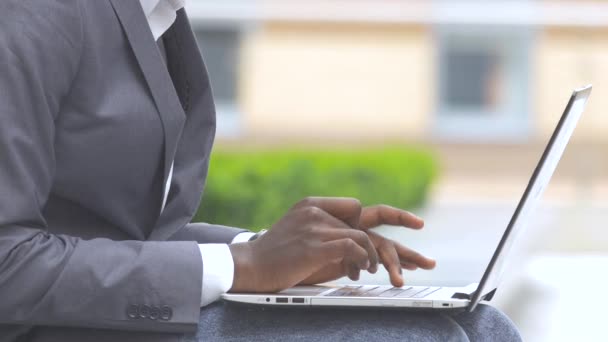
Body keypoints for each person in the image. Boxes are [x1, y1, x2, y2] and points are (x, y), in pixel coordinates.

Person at [0, 1, 522, 341]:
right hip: (49, 327)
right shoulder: (35, 15)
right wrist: (240, 266)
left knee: (482, 326)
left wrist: (280, 250)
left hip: (99, 308)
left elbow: (122, 232)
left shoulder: (159, 20)